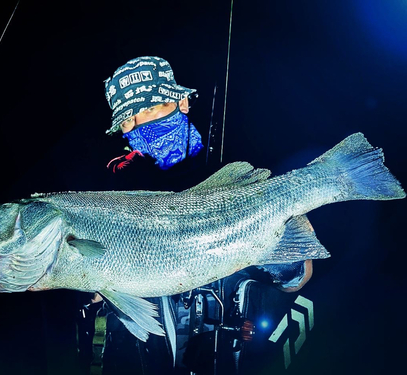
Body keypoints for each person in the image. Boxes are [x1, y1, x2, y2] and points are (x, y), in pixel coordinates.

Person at [78, 56, 314, 375]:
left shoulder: (237, 176)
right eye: (127, 120)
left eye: (150, 109)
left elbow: (298, 278)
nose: (140, 127)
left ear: (183, 102)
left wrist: (280, 247)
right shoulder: (113, 189)